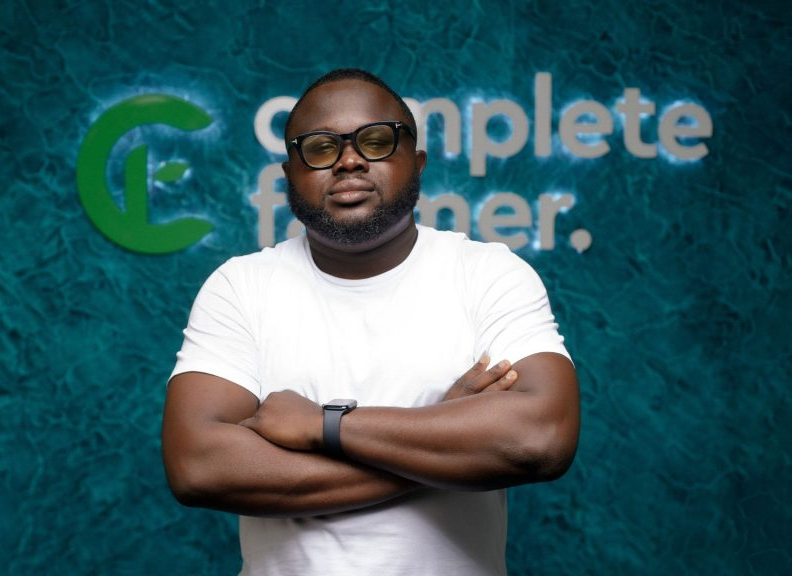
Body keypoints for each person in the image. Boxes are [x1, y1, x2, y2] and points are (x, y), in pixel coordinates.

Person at [162, 68, 579, 576]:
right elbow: (198, 467)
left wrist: (322, 425)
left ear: (417, 162)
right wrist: (443, 438)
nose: (349, 160)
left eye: (376, 141)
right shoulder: (240, 286)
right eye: (320, 148)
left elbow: (541, 437)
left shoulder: (488, 274)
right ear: (289, 174)